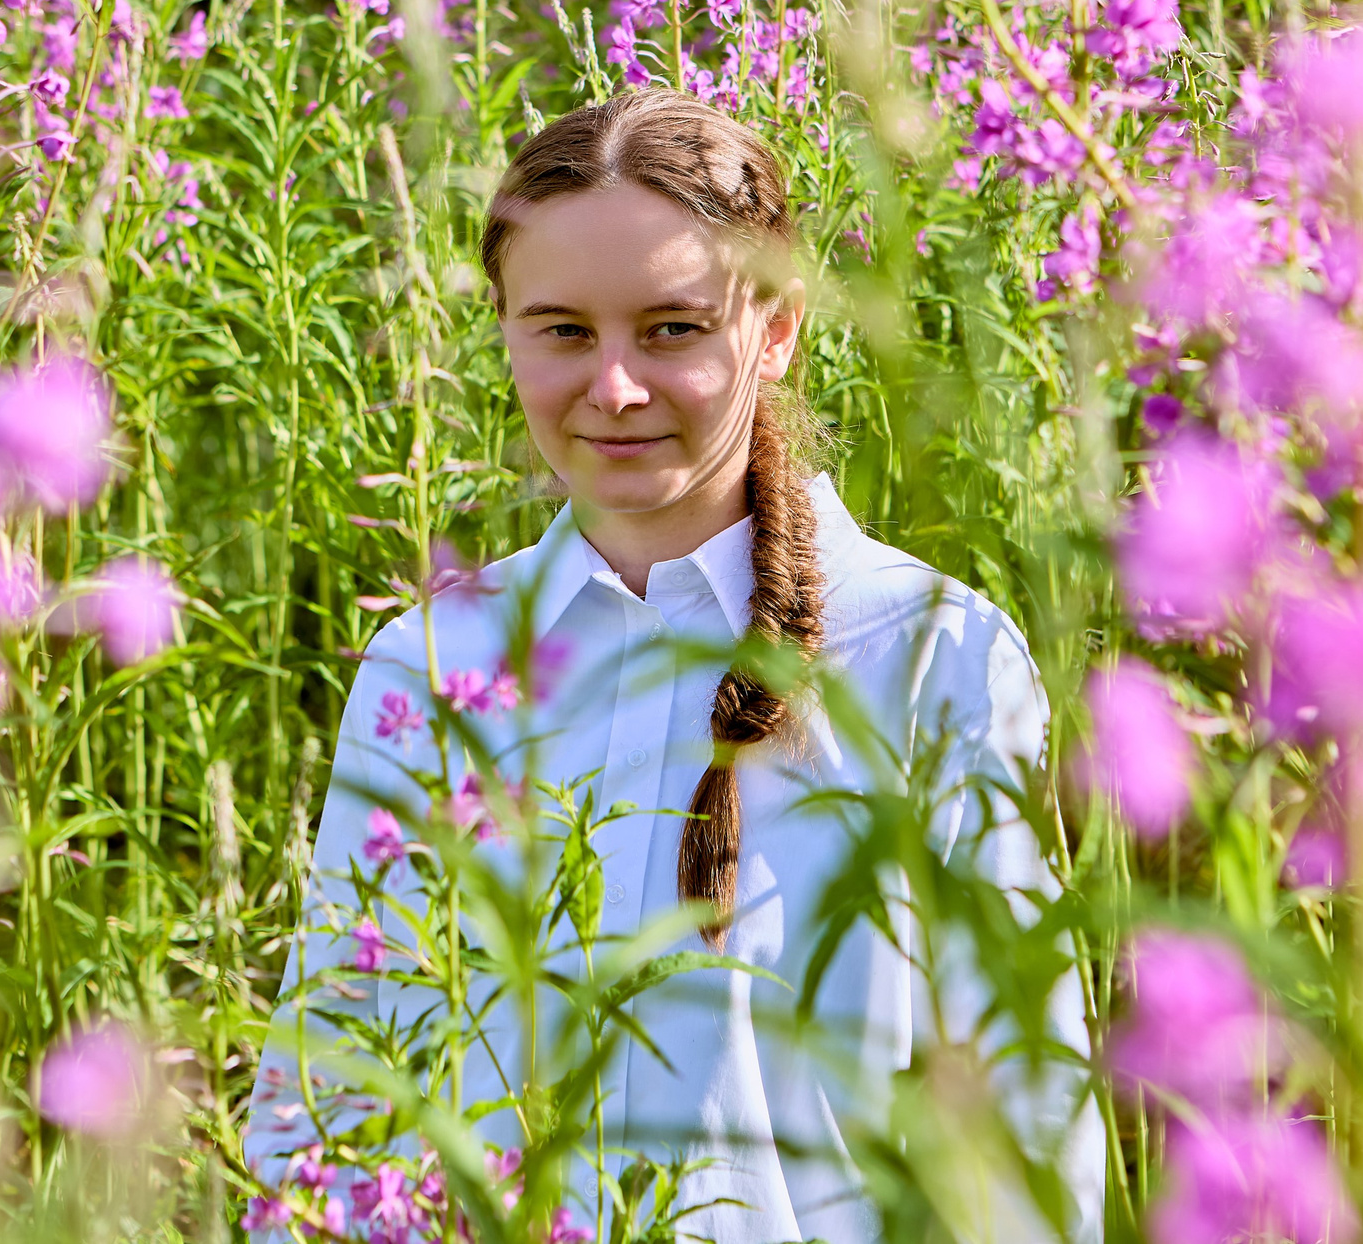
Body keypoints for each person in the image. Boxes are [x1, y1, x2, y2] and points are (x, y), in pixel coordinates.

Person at [245, 87, 1102, 1242]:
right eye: (561, 330)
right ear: (501, 326)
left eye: (671, 327)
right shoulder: (431, 669)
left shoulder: (928, 657)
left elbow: (1019, 1141)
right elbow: (325, 1104)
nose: (613, 389)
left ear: (779, 323)